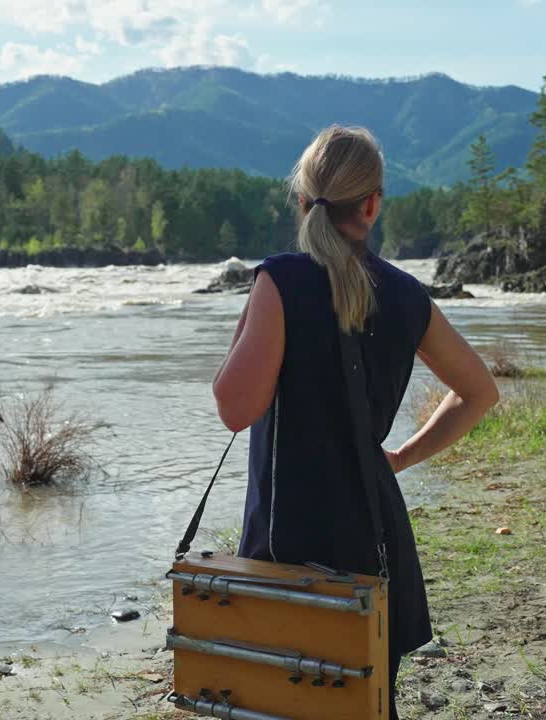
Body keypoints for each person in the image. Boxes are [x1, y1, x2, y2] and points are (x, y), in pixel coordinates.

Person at [212, 125, 499, 718]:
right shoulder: (405, 294)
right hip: (373, 536)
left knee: (277, 704)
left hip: (285, 538)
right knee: (365, 706)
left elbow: (234, 409)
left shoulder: (281, 280)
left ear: (302, 202)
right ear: (372, 206)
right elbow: (478, 392)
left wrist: (254, 314)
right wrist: (400, 458)